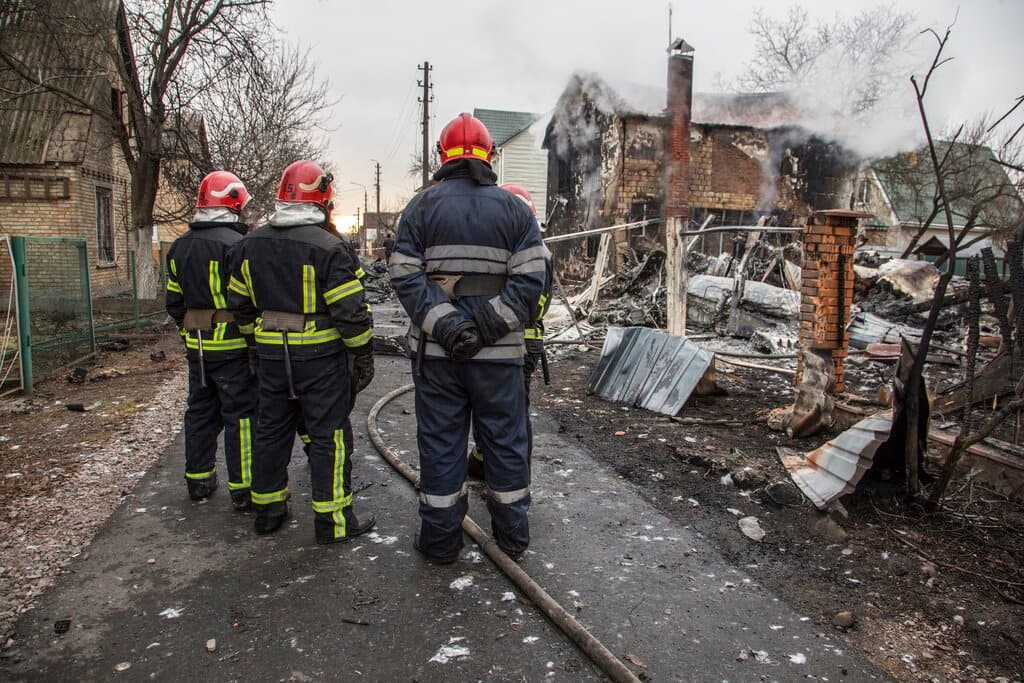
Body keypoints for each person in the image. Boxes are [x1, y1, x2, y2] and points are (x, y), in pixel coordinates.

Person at [390, 113, 545, 564]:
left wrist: (450, 327)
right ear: (489, 155)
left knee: (441, 444)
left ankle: (440, 543)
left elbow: (404, 275)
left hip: (438, 357)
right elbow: (531, 281)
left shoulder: (420, 208)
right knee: (505, 443)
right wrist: (485, 328)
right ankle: (512, 539)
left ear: (442, 155)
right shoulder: (516, 210)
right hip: (499, 358)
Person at [227, 160, 376, 543]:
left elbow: (239, 303)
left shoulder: (250, 244)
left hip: (272, 359)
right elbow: (350, 312)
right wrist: (362, 354)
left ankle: (268, 511)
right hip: (321, 361)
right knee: (329, 436)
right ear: (322, 200)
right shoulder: (330, 247)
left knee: (271, 431)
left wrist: (254, 343)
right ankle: (334, 523)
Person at [165, 171, 257, 510]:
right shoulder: (238, 246)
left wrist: (190, 334)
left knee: (200, 412)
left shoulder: (178, 247)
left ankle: (199, 480)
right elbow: (248, 301)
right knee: (241, 416)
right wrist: (253, 340)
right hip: (235, 348)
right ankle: (244, 488)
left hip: (198, 348)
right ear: (234, 204)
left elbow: (174, 303)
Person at [468, 183, 552, 480]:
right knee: (490, 406)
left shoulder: (536, 253)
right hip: (502, 339)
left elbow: (532, 302)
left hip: (521, 341)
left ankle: (518, 474)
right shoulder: (521, 248)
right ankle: (483, 460)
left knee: (514, 413)